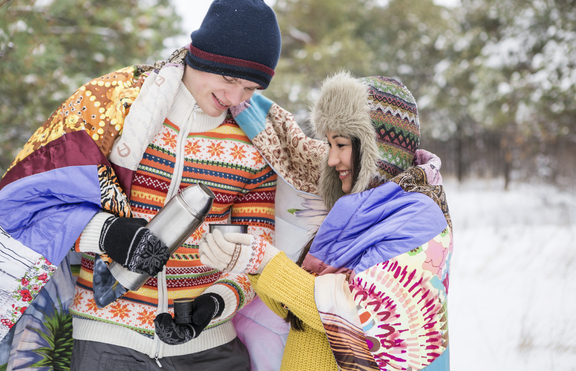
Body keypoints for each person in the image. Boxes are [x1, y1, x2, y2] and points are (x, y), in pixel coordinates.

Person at [0, 0, 282, 369]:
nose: (235, 98)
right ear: (200, 57)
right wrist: (108, 233)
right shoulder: (112, 106)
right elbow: (34, 200)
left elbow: (257, 248)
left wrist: (215, 303)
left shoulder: (258, 141)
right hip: (106, 340)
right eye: (228, 80)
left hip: (211, 349)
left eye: (250, 88)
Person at [200, 71, 453, 370]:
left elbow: (356, 320)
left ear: (380, 150)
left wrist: (266, 261)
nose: (331, 160)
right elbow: (298, 307)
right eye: (329, 145)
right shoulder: (356, 213)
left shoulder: (417, 221)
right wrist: (249, 264)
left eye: (341, 145)